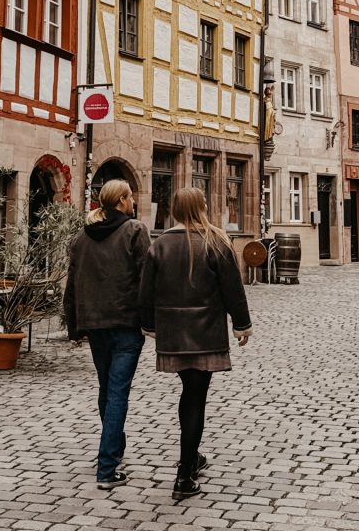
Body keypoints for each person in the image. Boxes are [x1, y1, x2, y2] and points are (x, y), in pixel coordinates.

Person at [139, 187, 252, 501]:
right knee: (196, 397)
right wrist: (242, 324)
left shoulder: (159, 245)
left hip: (173, 333)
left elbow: (145, 292)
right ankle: (185, 474)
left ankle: (191, 458)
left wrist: (149, 326)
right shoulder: (216, 242)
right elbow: (232, 287)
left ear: (174, 209)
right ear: (202, 207)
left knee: (190, 393)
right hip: (205, 332)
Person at [63, 179, 150, 490]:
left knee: (107, 388)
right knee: (117, 392)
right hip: (125, 324)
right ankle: (107, 468)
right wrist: (151, 321)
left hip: (95, 324)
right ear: (122, 200)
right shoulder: (135, 231)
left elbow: (72, 285)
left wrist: (74, 326)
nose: (133, 202)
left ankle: (114, 447)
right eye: (130, 197)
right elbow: (146, 278)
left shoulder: (80, 239)